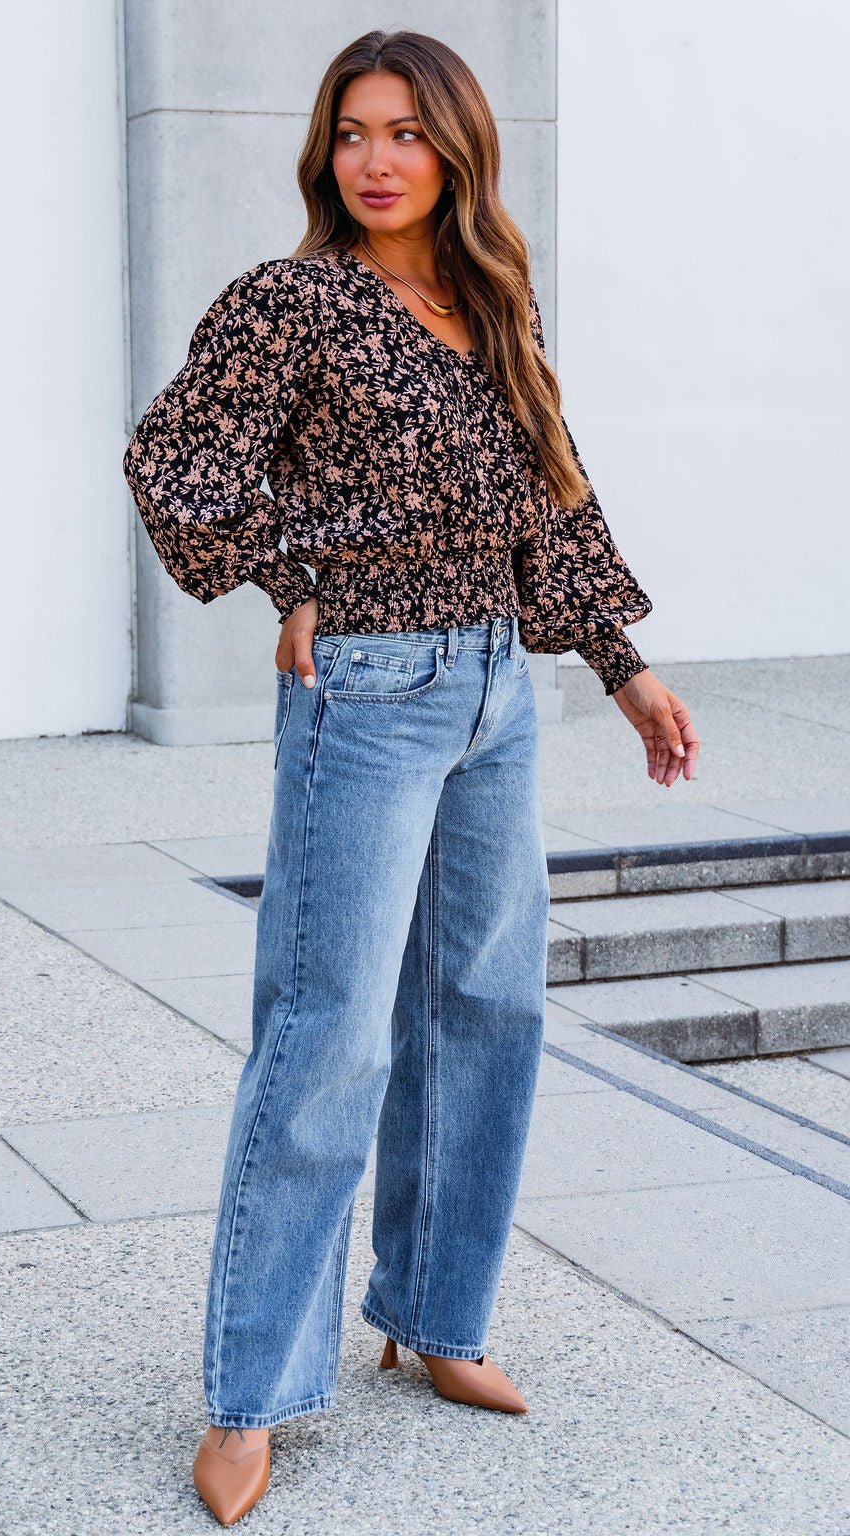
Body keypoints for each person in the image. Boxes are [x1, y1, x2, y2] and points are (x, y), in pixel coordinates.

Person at [122, 28, 699, 1527]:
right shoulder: (292, 302)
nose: (377, 158)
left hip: (499, 689)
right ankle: (252, 1395)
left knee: (488, 1008)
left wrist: (621, 669)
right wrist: (282, 574)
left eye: (406, 133)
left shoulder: (485, 301)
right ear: (328, 152)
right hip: (366, 692)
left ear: (455, 150)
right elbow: (173, 460)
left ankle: (434, 1316)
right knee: (330, 1034)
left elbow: (552, 502)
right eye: (354, 132)